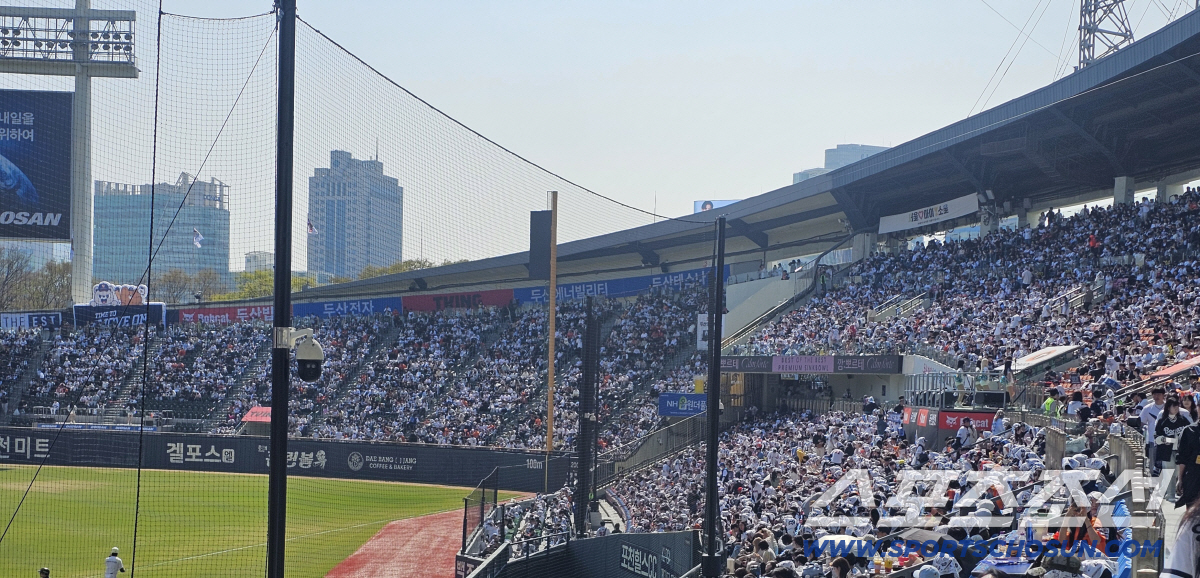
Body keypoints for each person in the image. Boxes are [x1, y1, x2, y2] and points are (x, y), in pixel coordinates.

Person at [1142, 387, 1167, 475]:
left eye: (1159, 394)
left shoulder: (1168, 407)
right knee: (1153, 463)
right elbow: (1142, 422)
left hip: (1167, 440)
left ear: (1163, 395)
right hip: (1153, 439)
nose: (1157, 396)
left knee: (1166, 465)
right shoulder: (1147, 408)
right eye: (1155, 394)